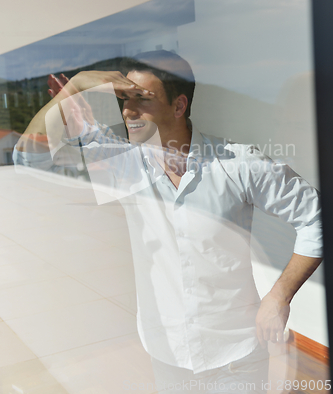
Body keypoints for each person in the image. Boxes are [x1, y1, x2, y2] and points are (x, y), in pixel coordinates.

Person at [14, 50, 322, 393]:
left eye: (142, 99)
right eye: (125, 99)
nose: (129, 111)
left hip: (238, 357)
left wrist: (279, 296)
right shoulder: (124, 164)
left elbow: (316, 219)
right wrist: (75, 87)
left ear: (178, 106)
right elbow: (27, 158)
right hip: (168, 358)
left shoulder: (239, 164)